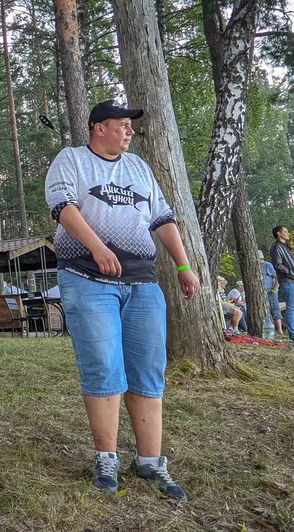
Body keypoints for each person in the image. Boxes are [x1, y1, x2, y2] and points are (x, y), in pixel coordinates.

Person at [45, 99, 201, 501]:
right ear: (99, 127)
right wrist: (97, 247)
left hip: (142, 282)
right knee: (103, 367)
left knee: (149, 369)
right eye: (122, 124)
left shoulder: (140, 168)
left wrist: (183, 266)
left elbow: (162, 218)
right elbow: (62, 208)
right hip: (86, 277)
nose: (129, 131)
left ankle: (150, 461)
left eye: (130, 126)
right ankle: (106, 457)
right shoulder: (72, 160)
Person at [270, 225, 294, 344]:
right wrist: (291, 274)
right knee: (291, 308)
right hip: (288, 281)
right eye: (286, 231)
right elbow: (278, 265)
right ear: (278, 233)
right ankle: (293, 334)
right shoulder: (276, 247)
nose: (288, 233)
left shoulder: (286, 247)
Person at [260, 249, 283, 336]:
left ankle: (280, 330)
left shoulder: (267, 265)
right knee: (266, 310)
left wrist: (275, 289)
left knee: (275, 308)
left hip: (271, 291)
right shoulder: (258, 267)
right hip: (263, 292)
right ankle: (269, 329)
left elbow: (278, 277)